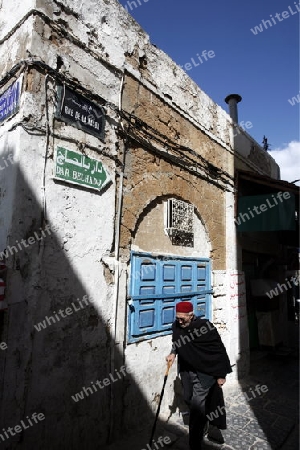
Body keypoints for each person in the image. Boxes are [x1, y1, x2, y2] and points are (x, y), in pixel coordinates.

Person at [166, 301, 232, 450]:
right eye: (178, 318)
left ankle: (194, 442)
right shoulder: (177, 326)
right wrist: (173, 353)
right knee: (189, 398)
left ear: (191, 315)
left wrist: (221, 374)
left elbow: (218, 350)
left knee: (196, 407)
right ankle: (206, 422)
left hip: (205, 373)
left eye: (183, 318)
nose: (180, 321)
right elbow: (177, 340)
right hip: (187, 371)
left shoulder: (204, 327)